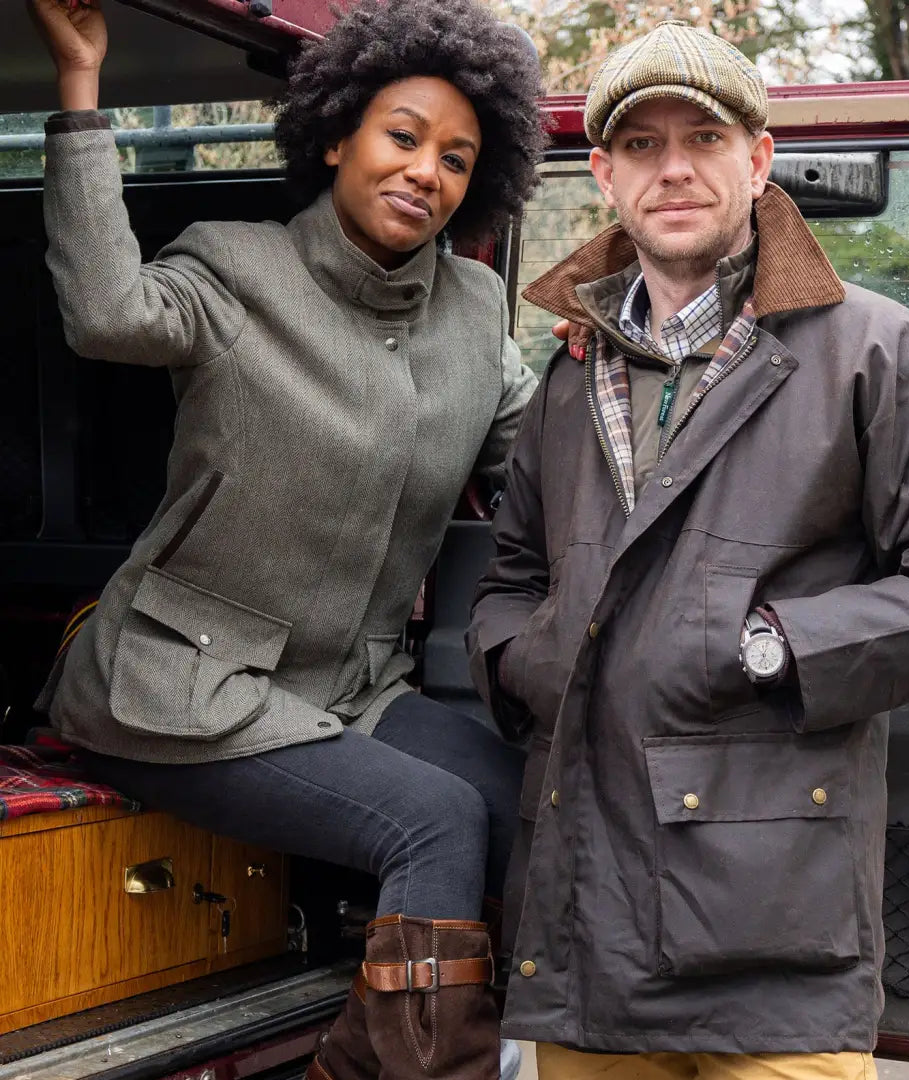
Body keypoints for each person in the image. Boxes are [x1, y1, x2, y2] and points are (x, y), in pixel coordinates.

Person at [467, 20, 909, 1080]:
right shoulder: (565, 382)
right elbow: (513, 585)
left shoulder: (881, 352)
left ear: (758, 159)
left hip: (777, 937)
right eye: (640, 145)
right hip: (583, 927)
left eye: (704, 138)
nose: (673, 167)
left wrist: (769, 646)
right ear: (603, 175)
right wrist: (525, 663)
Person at [27, 0, 546, 1076]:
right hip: (177, 689)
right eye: (403, 137)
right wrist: (79, 89)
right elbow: (108, 313)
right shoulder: (235, 266)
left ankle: (533, 1051)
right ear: (336, 137)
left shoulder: (473, 313)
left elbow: (550, 464)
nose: (425, 173)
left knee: (540, 804)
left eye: (457, 159)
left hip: (349, 690)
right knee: (437, 823)